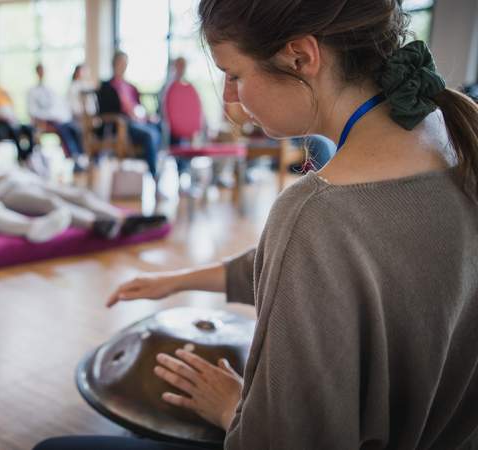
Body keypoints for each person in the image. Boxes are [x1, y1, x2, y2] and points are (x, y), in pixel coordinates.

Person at [36, 0, 478, 449]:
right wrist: (177, 281)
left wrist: (233, 406)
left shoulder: (315, 214)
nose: (230, 99)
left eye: (235, 75)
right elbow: (338, 271)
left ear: (300, 57)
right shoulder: (455, 144)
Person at [0, 166, 167, 239]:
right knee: (51, 202)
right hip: (8, 193)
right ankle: (96, 224)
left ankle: (123, 217)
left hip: (32, 182)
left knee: (79, 196)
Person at [97, 51, 162, 180]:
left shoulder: (130, 86)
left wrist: (147, 116)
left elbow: (139, 106)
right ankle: (154, 173)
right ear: (114, 64)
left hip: (139, 121)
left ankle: (158, 164)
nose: (123, 66)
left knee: (161, 126)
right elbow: (104, 112)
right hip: (123, 124)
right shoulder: (106, 87)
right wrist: (127, 114)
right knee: (149, 135)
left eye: (125, 63)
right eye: (120, 63)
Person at [27, 63, 84, 161]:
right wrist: (47, 118)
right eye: (40, 71)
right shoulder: (32, 91)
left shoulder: (50, 90)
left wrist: (58, 116)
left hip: (57, 119)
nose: (42, 73)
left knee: (74, 128)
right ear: (37, 72)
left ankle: (80, 156)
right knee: (64, 130)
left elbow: (57, 107)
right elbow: (33, 112)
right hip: (44, 121)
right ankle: (73, 156)